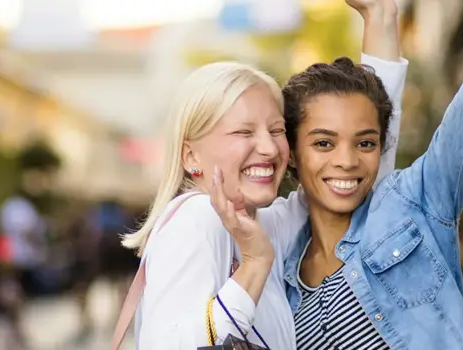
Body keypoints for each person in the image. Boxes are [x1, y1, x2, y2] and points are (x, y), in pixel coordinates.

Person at [274, 0, 463, 348]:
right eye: (324, 143)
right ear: (291, 154)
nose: (347, 160)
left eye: (365, 143)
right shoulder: (281, 278)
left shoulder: (411, 204)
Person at [115, 2, 406, 348]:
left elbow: (361, 171)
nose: (268, 149)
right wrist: (254, 265)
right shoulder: (197, 218)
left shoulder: (264, 225)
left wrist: (380, 16)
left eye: (276, 130)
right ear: (191, 154)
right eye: (244, 132)